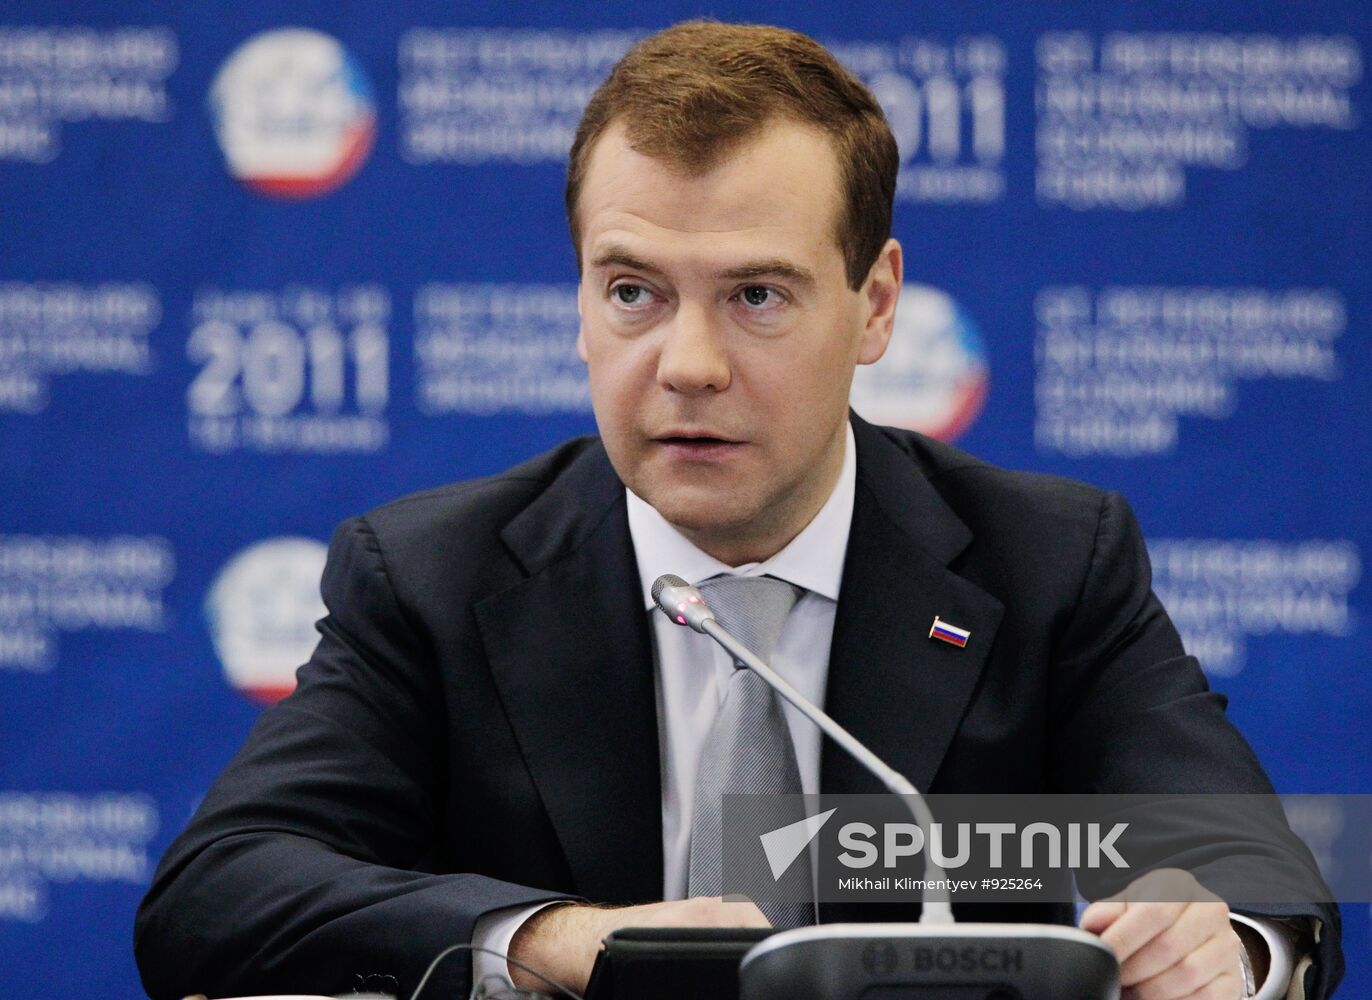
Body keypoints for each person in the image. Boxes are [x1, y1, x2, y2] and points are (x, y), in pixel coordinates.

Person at [135, 21, 1341, 1000]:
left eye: (757, 294)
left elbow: (1258, 885)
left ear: (875, 306)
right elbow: (218, 890)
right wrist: (553, 941)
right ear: (578, 301)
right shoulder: (431, 578)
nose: (688, 362)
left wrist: (1223, 948)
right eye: (632, 291)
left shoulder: (1047, 564)